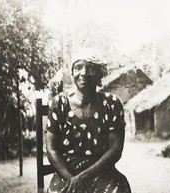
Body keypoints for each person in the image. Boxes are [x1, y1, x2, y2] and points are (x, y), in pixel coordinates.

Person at [46, 48, 132, 193]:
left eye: (91, 68)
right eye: (78, 67)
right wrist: (72, 180)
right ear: (72, 73)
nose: (84, 73)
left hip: (102, 172)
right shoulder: (59, 103)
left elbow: (115, 149)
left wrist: (84, 177)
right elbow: (51, 149)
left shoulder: (112, 104)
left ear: (100, 74)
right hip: (66, 174)